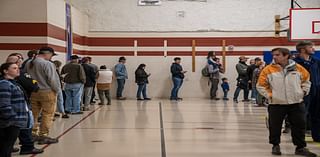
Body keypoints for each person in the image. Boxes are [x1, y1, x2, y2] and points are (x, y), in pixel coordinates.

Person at [257, 47, 317, 157]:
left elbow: (306, 81)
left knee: (299, 125)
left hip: (296, 102)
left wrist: (303, 92)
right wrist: (271, 96)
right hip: (276, 104)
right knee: (274, 126)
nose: (274, 57)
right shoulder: (267, 70)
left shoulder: (299, 68)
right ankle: (275, 145)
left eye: (277, 55)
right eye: (273, 55)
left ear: (286, 56)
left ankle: (300, 148)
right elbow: (261, 86)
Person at [6, 55, 43, 155]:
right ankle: (27, 146)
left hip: (17, 108)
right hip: (18, 109)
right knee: (25, 127)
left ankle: (10, 146)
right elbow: (33, 85)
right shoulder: (8, 82)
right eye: (14, 67)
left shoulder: (13, 81)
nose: (18, 68)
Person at [25, 47, 61, 145]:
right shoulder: (48, 64)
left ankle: (32, 134)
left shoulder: (29, 63)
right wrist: (57, 90)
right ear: (47, 53)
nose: (51, 57)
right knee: (47, 114)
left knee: (34, 114)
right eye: (51, 55)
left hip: (33, 91)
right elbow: (52, 80)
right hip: (47, 91)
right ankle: (43, 135)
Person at [0, 63, 29, 157]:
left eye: (17, 68)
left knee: (8, 147)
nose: (18, 70)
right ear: (5, 71)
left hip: (14, 121)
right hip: (9, 122)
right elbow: (4, 104)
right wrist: (12, 118)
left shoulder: (13, 83)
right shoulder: (4, 84)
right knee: (5, 148)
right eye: (14, 68)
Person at [293, 41, 320, 142]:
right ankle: (299, 139)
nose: (314, 49)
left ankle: (317, 136)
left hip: (317, 92)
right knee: (301, 116)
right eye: (311, 47)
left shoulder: (316, 61)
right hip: (302, 92)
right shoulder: (294, 63)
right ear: (303, 49)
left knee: (317, 114)